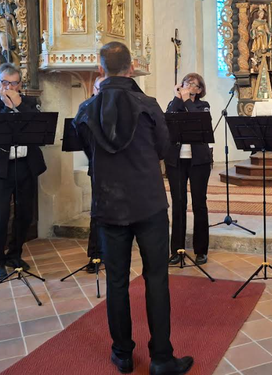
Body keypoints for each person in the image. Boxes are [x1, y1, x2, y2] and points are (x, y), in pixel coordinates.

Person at [72, 42, 193, 375]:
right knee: (156, 278)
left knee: (117, 282)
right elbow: (161, 149)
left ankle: (123, 354)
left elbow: (88, 152)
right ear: (131, 68)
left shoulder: (85, 109)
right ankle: (162, 359)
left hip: (109, 204)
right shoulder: (149, 105)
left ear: (101, 70)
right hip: (149, 202)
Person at [0, 63, 46, 281]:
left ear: (20, 85)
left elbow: (38, 128)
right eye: (4, 83)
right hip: (0, 168)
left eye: (13, 83)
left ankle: (14, 254)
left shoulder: (29, 103)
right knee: (0, 217)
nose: (8, 87)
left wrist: (18, 106)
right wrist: (8, 108)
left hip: (25, 165)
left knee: (25, 214)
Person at [166, 73, 212, 266]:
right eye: (186, 83)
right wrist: (178, 98)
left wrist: (186, 100)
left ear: (199, 90)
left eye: (193, 84)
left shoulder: (203, 105)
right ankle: (177, 250)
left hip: (198, 161)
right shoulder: (173, 104)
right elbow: (167, 118)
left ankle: (201, 250)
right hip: (176, 160)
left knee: (199, 204)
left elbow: (197, 118)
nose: (188, 86)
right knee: (178, 204)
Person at [84, 76, 105, 273]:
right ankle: (95, 254)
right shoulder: (87, 107)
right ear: (94, 89)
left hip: (119, 169)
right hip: (97, 167)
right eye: (100, 88)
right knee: (96, 210)